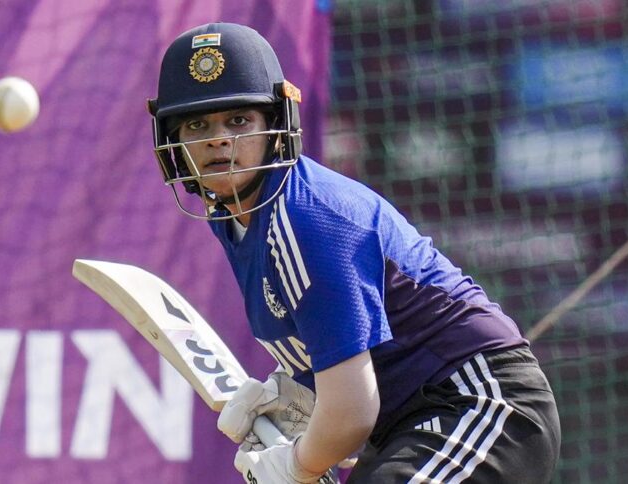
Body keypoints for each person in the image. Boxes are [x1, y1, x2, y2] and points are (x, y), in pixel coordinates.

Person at [148, 22, 561, 484]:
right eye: (197, 124)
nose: (218, 139)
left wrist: (296, 465)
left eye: (239, 120)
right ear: (173, 140)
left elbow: (352, 415)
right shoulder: (232, 216)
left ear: (275, 127)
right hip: (407, 423)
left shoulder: (308, 217)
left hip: (478, 402)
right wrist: (292, 392)